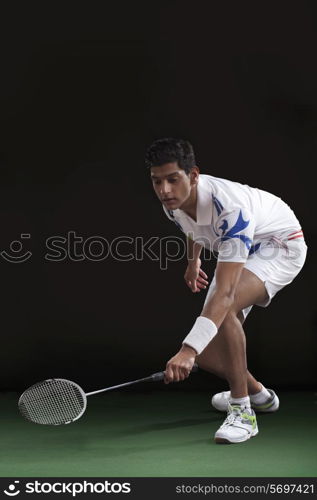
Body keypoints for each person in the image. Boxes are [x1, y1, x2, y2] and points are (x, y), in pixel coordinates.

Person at [145, 137, 307, 444]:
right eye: (157, 181)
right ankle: (259, 394)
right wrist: (193, 262)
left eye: (172, 180)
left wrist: (186, 350)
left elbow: (227, 295)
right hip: (241, 249)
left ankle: (243, 410)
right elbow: (193, 227)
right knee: (206, 356)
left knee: (224, 310)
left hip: (278, 246)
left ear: (193, 176)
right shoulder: (173, 202)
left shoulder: (230, 210)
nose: (164, 190)